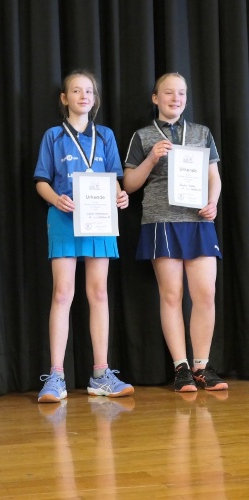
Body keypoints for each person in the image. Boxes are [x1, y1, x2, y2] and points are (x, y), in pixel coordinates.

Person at [33, 69, 134, 403]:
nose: (83, 96)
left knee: (99, 293)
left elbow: (115, 179)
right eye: (75, 91)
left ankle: (101, 374)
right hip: (63, 218)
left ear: (95, 98)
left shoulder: (105, 135)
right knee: (62, 294)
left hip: (100, 219)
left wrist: (121, 195)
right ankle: (56, 377)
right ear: (65, 99)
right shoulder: (53, 136)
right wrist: (55, 198)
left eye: (88, 91)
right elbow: (41, 181)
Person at [123, 72, 228, 393]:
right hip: (161, 221)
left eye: (181, 93)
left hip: (198, 222)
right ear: (155, 98)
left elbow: (215, 177)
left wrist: (213, 201)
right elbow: (128, 185)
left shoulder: (201, 133)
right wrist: (153, 158)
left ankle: (202, 366)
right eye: (168, 93)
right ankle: (180, 367)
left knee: (205, 294)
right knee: (171, 295)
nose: (176, 98)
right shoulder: (142, 136)